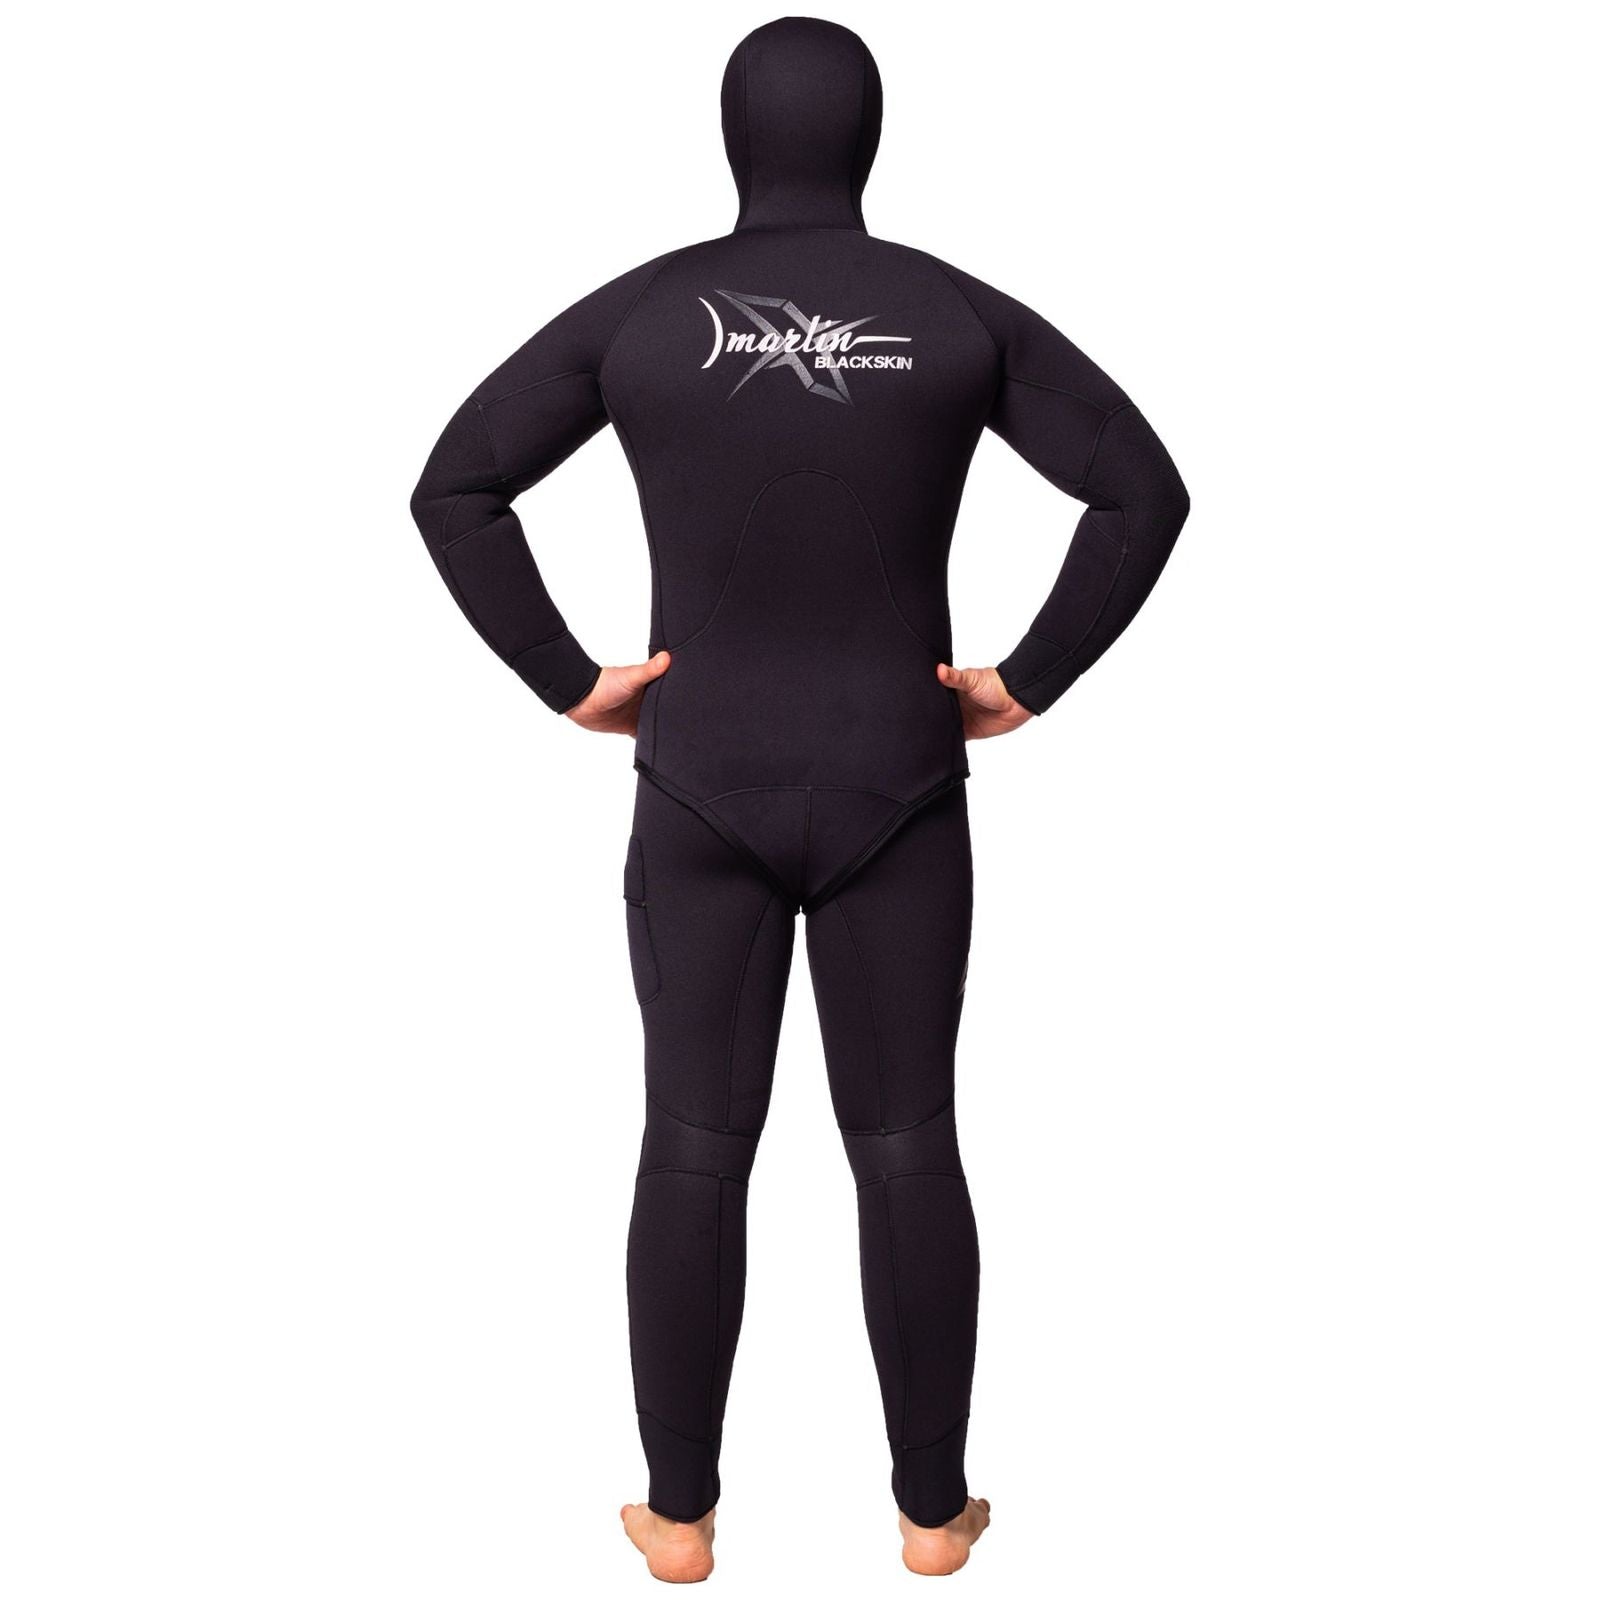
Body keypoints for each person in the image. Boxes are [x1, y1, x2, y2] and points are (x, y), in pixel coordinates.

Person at [410, 16, 1188, 1581]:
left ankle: (680, 1520)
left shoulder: (645, 316)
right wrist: (1025, 679)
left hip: (702, 783)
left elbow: (456, 484)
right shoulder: (953, 313)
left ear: (733, 136)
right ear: (869, 135)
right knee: (908, 1140)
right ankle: (933, 1519)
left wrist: (572, 679)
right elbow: (1142, 490)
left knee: (694, 1141)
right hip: (901, 781)